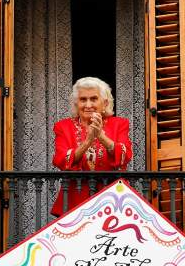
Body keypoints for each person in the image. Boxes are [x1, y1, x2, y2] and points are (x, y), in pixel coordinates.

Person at [50, 77, 132, 216]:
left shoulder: (119, 124)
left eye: (94, 99)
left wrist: (101, 136)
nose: (88, 105)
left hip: (113, 200)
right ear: (76, 104)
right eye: (83, 99)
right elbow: (61, 160)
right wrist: (87, 142)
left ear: (105, 103)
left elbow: (125, 155)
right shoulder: (63, 127)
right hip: (74, 201)